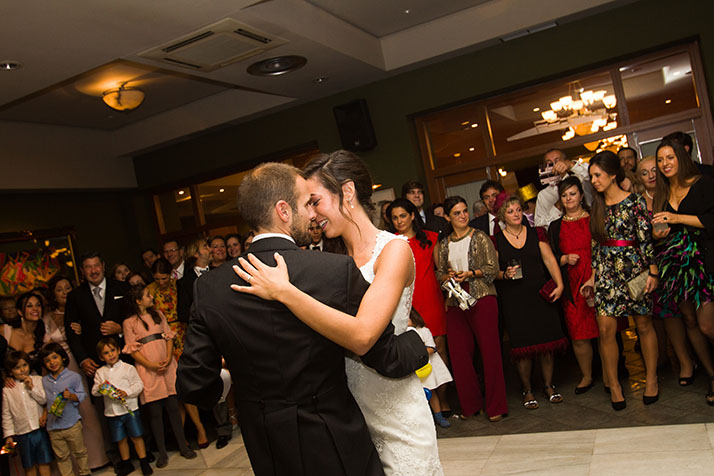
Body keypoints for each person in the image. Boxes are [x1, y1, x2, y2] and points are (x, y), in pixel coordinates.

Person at [177, 161, 430, 476]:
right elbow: (383, 354)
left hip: (267, 446)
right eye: (306, 204)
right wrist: (418, 343)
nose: (312, 214)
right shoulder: (333, 272)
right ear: (283, 211)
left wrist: (232, 381)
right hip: (336, 439)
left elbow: (193, 385)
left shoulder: (209, 288)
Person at [584, 150, 659, 411]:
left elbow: (645, 239)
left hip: (634, 269)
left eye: (598, 175)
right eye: (591, 176)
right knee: (605, 329)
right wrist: (593, 277)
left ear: (613, 174)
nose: (594, 181)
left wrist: (652, 272)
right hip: (606, 273)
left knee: (644, 325)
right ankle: (614, 385)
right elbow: (595, 245)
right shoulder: (596, 206)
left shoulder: (635, 202)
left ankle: (651, 379)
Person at [434, 196, 507, 422]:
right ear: (448, 217)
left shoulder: (480, 237)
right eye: (457, 213)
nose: (463, 216)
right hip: (455, 300)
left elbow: (492, 268)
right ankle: (471, 405)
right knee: (459, 355)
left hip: (482, 298)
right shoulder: (444, 244)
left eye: (465, 211)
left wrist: (470, 273)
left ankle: (496, 406)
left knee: (490, 352)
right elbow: (438, 273)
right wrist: (447, 276)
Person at [652, 139, 714, 404]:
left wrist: (677, 218)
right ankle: (712, 375)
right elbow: (660, 231)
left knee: (707, 324)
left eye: (670, 158)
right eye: (660, 160)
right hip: (678, 268)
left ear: (681, 158)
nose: (665, 164)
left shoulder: (702, 184)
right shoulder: (662, 193)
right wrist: (658, 232)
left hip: (705, 262)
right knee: (689, 321)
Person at [495, 194, 567, 409]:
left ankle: (549, 386)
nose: (516, 214)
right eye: (510, 211)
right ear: (503, 216)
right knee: (523, 348)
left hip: (540, 296)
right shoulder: (496, 240)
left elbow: (550, 260)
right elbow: (492, 271)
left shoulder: (537, 233)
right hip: (515, 301)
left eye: (518, 210)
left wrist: (559, 284)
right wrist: (504, 274)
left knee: (546, 345)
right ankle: (527, 390)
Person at [388, 198, 451, 416]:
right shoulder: (390, 243)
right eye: (394, 218)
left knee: (439, 350)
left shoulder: (431, 238)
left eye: (403, 216)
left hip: (431, 299)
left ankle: (444, 401)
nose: (399, 221)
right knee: (411, 352)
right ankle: (423, 405)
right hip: (406, 304)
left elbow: (442, 271)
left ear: (413, 215)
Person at [123, 284, 196, 467]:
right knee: (155, 413)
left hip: (167, 366)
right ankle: (162, 452)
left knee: (174, 408)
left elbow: (168, 337)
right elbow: (132, 350)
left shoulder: (158, 315)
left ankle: (183, 446)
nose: (152, 297)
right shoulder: (129, 323)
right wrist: (151, 365)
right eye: (148, 295)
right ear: (138, 301)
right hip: (148, 371)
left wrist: (168, 357)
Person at [43, 276, 107, 470]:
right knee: (61, 408)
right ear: (53, 294)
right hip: (56, 365)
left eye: (68, 288)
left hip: (77, 362)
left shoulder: (80, 311)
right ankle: (70, 464)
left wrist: (82, 329)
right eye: (59, 289)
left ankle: (96, 458)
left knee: (85, 408)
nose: (64, 292)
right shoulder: (47, 317)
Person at [146, 258, 207, 448]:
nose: (161, 282)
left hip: (182, 335)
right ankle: (183, 436)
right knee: (175, 390)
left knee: (186, 384)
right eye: (157, 279)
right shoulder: (149, 291)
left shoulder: (178, 286)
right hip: (162, 341)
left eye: (164, 278)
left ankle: (199, 429)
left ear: (170, 275)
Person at [547, 177, 599, 393]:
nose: (569, 198)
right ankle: (586, 376)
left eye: (573, 194)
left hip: (598, 279)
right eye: (564, 195)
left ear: (581, 195)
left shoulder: (595, 218)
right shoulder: (555, 226)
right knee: (578, 334)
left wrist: (595, 277)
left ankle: (612, 373)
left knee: (607, 330)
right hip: (572, 285)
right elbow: (549, 258)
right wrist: (564, 259)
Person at [92, 337, 152, 476]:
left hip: (130, 410)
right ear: (101, 357)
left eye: (112, 350)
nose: (111, 355)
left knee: (136, 436)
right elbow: (94, 391)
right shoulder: (100, 372)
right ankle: (127, 463)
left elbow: (138, 385)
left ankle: (143, 461)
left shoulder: (128, 368)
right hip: (112, 412)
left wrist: (127, 392)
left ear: (118, 350)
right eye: (106, 353)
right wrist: (100, 388)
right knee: (120, 439)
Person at [40, 343, 90, 476]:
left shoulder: (73, 377)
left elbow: (81, 395)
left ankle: (85, 473)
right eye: (47, 360)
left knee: (80, 452)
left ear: (62, 357)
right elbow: (45, 401)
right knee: (61, 457)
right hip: (53, 426)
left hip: (72, 423)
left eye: (55, 357)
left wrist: (71, 396)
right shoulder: (44, 381)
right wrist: (44, 415)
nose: (52, 362)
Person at [2, 350, 52, 476]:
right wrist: (9, 436)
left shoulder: (38, 380)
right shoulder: (7, 390)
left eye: (24, 365)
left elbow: (44, 400)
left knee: (44, 462)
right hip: (22, 432)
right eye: (17, 368)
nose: (22, 370)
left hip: (39, 429)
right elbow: (6, 415)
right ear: (10, 371)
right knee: (29, 465)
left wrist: (32, 388)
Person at [408, 309, 453, 428]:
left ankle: (439, 417)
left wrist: (417, 353)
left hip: (424, 369)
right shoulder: (402, 334)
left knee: (431, 393)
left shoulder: (423, 331)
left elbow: (432, 348)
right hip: (412, 369)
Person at [534, 148, 593, 229]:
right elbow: (539, 226)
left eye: (557, 161)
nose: (554, 165)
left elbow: (590, 177)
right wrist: (557, 208)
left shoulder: (579, 180)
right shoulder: (543, 195)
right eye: (549, 163)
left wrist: (571, 164)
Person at [3, 292, 46, 372]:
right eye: (29, 306)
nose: (35, 309)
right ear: (20, 312)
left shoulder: (45, 337)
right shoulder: (5, 330)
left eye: (38, 305)